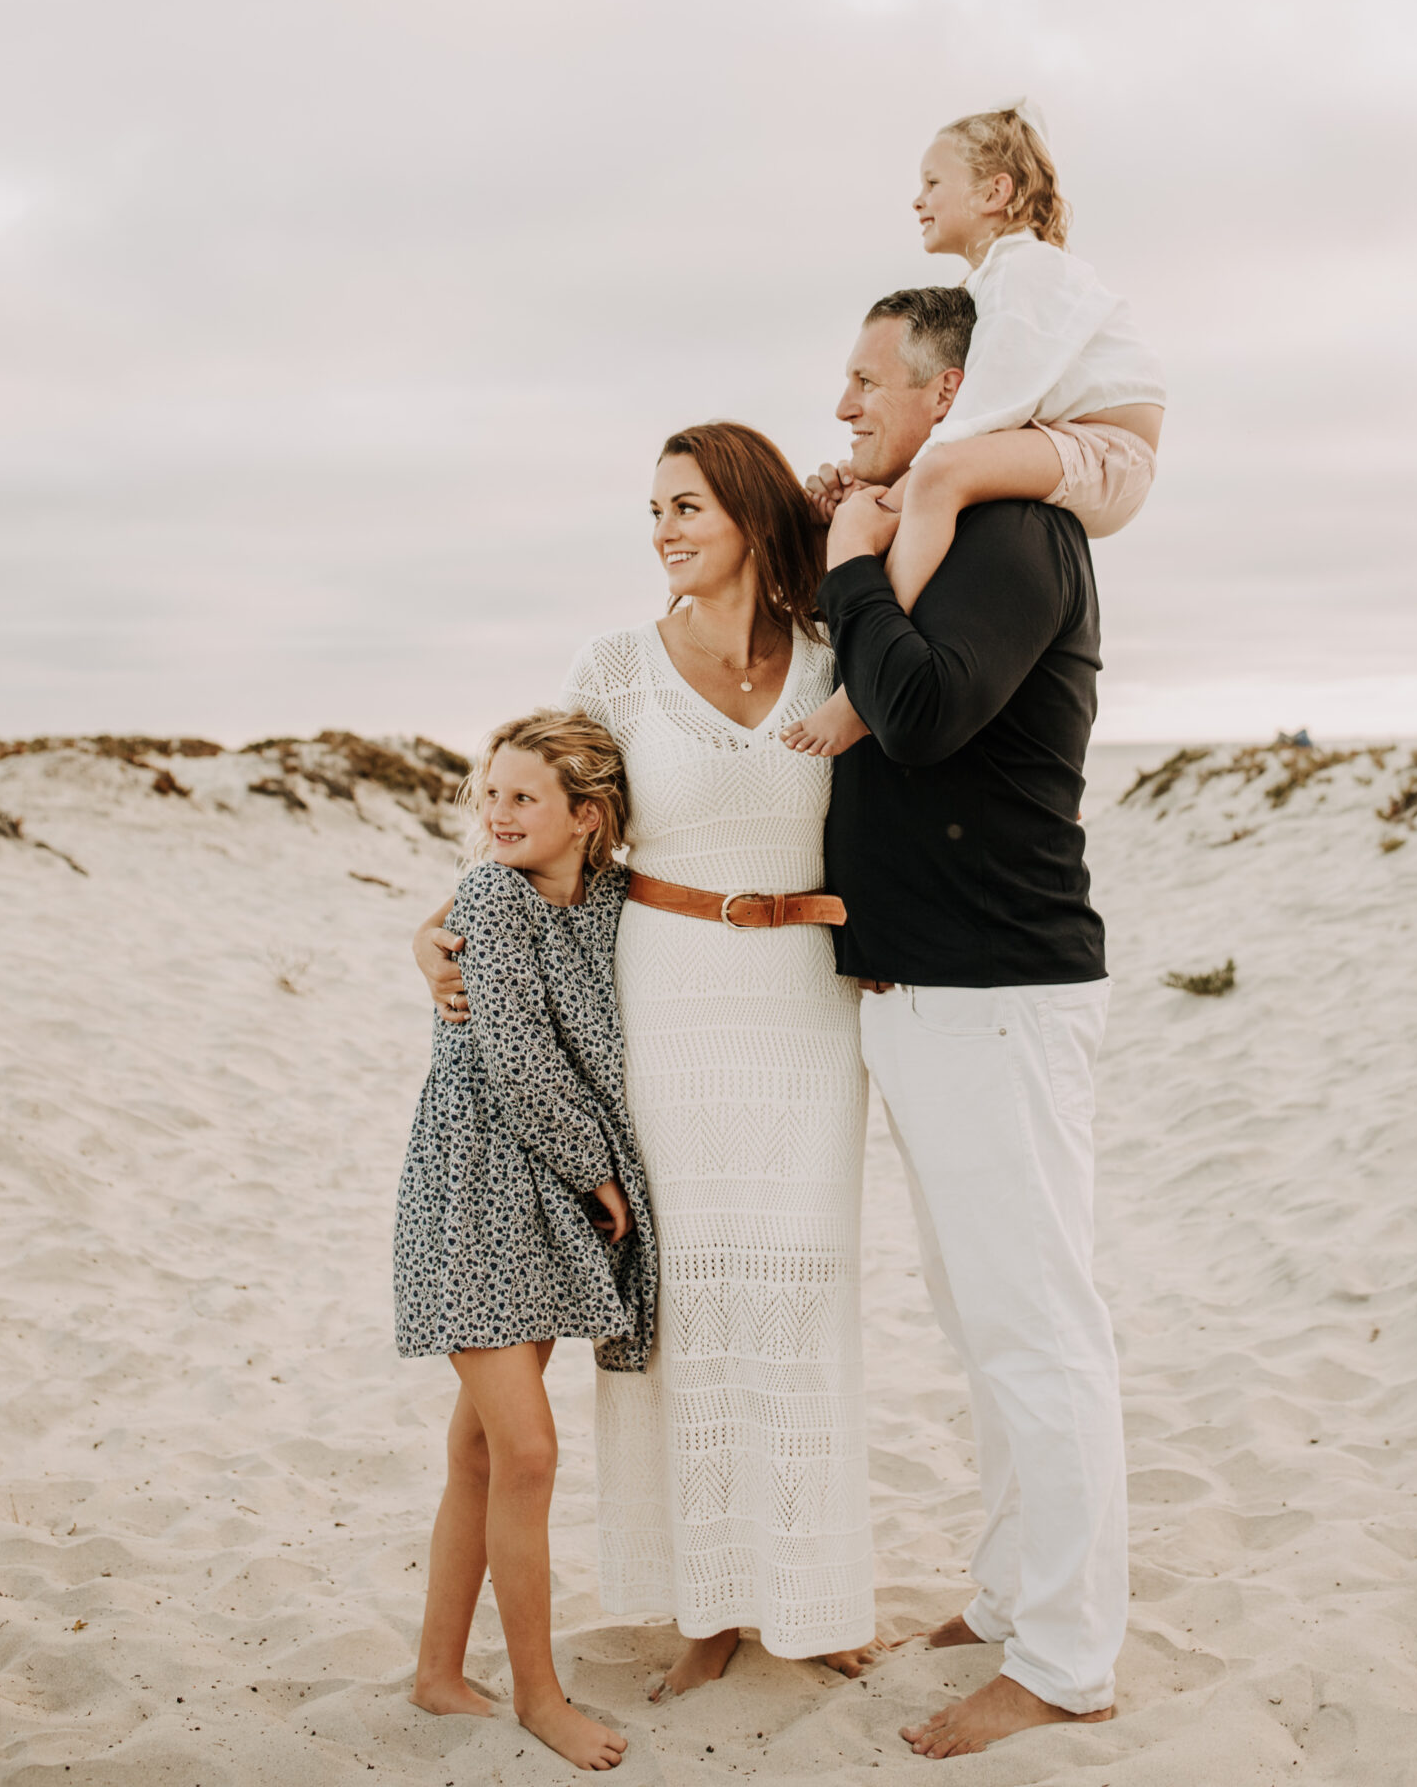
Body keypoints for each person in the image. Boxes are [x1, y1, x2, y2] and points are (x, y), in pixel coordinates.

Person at [413, 424, 880, 1699]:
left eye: (688, 504)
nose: (666, 528)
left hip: (804, 1007)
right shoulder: (613, 667)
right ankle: (707, 1608)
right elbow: (552, 838)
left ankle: (809, 1591)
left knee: (797, 1297)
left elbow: (887, 829)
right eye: (655, 509)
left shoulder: (839, 662)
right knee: (681, 1310)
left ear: (746, 512)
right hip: (666, 1001)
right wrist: (445, 926)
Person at [810, 285, 1129, 1758]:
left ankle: (1065, 1662)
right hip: (924, 994)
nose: (845, 404)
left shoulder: (1013, 533)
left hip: (996, 995)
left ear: (949, 391)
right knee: (979, 1323)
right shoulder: (922, 522)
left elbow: (926, 713)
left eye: (869, 380)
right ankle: (1011, 1597)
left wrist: (856, 574)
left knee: (1034, 1334)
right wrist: (851, 544)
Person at [395, 710, 656, 1770]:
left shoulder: (612, 898)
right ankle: (540, 1696)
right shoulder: (494, 898)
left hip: (540, 1198)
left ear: (587, 818)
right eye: (488, 794)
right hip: (475, 1186)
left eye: (522, 798)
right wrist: (599, 1172)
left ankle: (436, 1672)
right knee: (531, 1451)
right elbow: (518, 1060)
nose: (496, 815)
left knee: (478, 1450)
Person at [782, 101, 1164, 758]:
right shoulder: (990, 280)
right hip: (1071, 439)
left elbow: (990, 405)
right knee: (937, 475)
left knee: (940, 473)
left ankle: (857, 694)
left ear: (995, 191)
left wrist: (891, 498)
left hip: (1107, 450)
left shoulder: (1026, 270)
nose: (916, 200)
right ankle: (869, 649)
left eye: (932, 182)